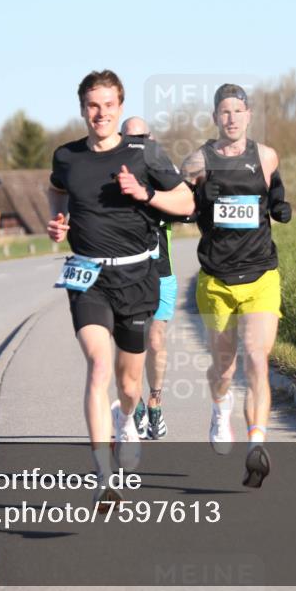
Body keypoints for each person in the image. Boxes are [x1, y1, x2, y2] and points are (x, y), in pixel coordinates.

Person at [47, 71, 194, 505]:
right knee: (98, 366)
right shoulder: (67, 156)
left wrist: (145, 194)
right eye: (93, 105)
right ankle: (103, 474)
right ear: (82, 109)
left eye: (109, 105)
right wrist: (57, 221)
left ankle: (127, 420)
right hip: (86, 274)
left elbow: (186, 203)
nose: (101, 113)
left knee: (129, 385)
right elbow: (54, 190)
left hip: (135, 275)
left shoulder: (144, 153)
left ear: (120, 107)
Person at [181, 84, 291, 488]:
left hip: (261, 275)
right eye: (223, 111)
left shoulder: (265, 156)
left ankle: (256, 444)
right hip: (216, 280)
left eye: (238, 110)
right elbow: (179, 201)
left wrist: (279, 203)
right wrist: (188, 205)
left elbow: (273, 187)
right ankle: (219, 405)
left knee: (257, 359)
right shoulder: (197, 161)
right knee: (224, 368)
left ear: (248, 115)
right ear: (215, 118)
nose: (231, 117)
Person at [121, 116, 173, 440]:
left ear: (150, 138)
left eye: (141, 138)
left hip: (161, 271)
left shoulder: (163, 174)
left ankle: (155, 401)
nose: (136, 143)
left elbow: (186, 205)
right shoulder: (114, 178)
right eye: (129, 139)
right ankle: (135, 404)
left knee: (155, 341)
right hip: (126, 277)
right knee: (131, 346)